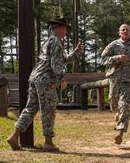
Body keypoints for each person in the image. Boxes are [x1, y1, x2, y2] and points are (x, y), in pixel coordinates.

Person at [7, 17, 83, 151]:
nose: (66, 31)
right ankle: (48, 142)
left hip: (36, 78)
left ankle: (14, 136)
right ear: (59, 28)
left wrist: (76, 52)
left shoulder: (49, 41)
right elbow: (56, 63)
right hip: (46, 81)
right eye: (65, 29)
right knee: (48, 110)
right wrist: (61, 79)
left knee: (30, 108)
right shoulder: (56, 42)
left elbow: (62, 59)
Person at [101, 24, 130, 145]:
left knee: (125, 105)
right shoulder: (113, 45)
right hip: (115, 78)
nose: (125, 31)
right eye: (123, 29)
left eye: (127, 29)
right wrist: (117, 58)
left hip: (128, 80)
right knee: (113, 103)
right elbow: (102, 59)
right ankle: (117, 111)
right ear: (119, 32)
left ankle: (120, 132)